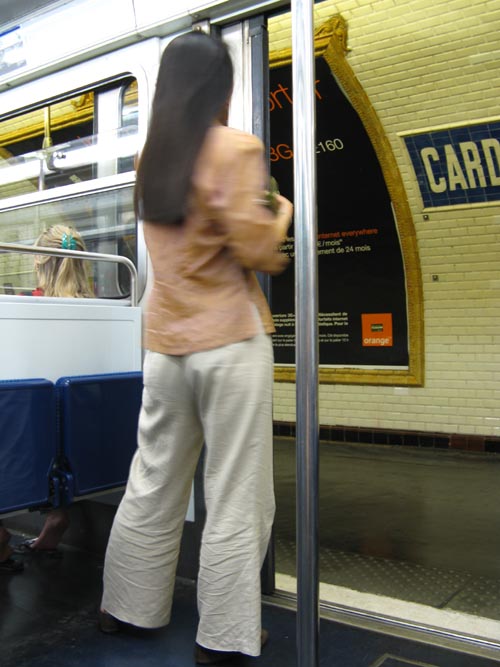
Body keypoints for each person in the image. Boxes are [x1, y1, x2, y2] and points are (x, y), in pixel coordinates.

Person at [99, 31, 293, 665]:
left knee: (154, 478)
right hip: (228, 342)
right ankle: (225, 637)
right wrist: (282, 213)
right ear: (220, 87)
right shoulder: (237, 149)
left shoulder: (151, 160)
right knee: (238, 489)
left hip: (165, 344)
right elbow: (259, 251)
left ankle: (126, 608)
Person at [14, 224, 93, 555]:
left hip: (29, 428)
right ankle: (58, 514)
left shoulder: (22, 307)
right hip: (82, 427)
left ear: (37, 262)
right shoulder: (98, 307)